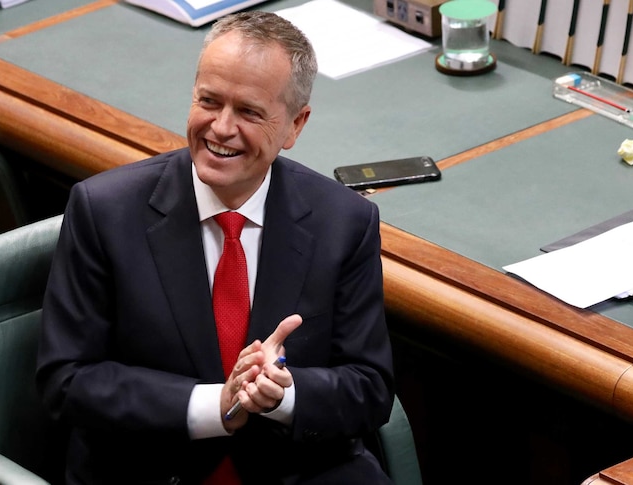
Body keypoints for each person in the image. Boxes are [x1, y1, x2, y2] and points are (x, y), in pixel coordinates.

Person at [36, 10, 395, 484]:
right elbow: (67, 381)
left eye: (248, 111)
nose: (221, 129)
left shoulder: (344, 222)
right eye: (209, 101)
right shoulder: (104, 211)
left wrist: (281, 394)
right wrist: (214, 404)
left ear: (294, 125)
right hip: (148, 468)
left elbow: (369, 390)